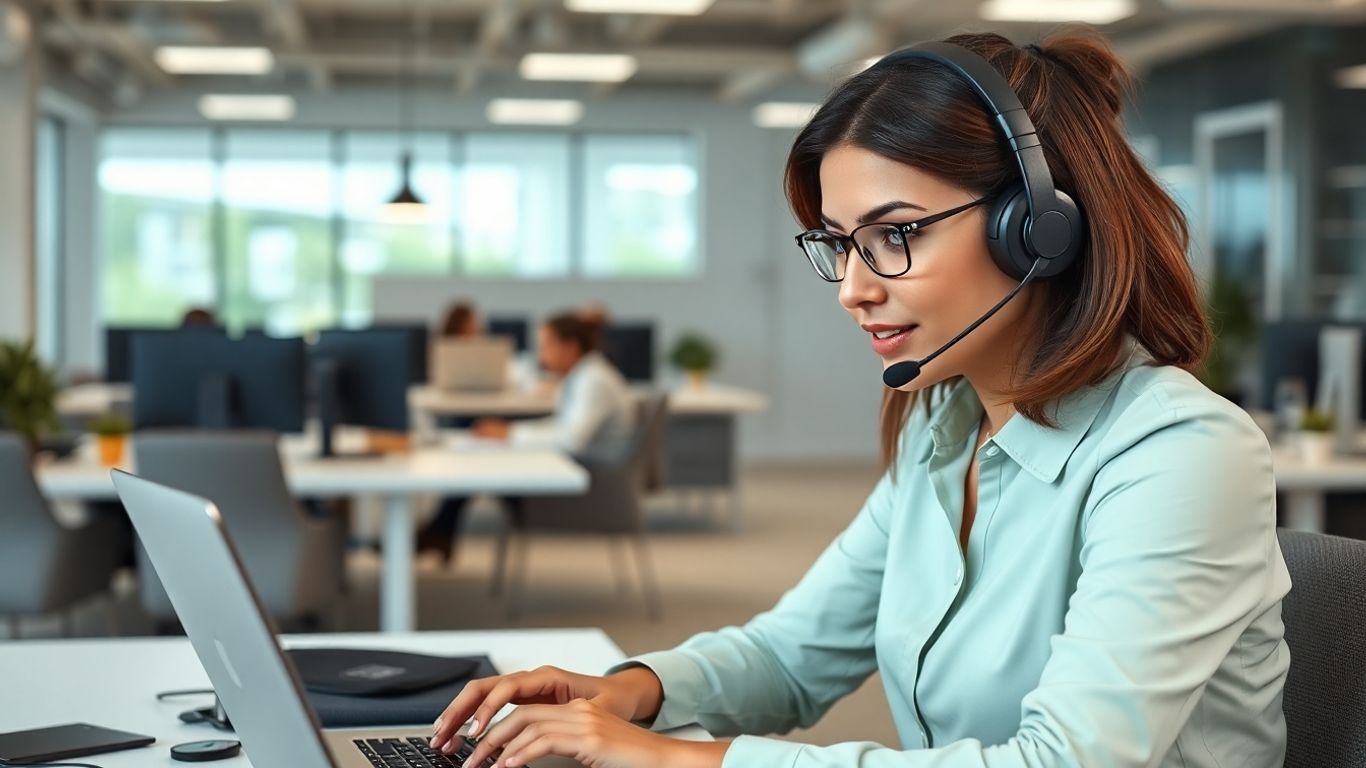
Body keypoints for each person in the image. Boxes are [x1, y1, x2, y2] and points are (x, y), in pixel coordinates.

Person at [427, 30, 1290, 768]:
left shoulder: (1183, 455)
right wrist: (630, 694)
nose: (851, 288)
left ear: (1038, 229)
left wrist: (681, 758)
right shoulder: (945, 432)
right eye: (839, 244)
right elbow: (792, 653)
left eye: (896, 235)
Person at [417, 311, 636, 564]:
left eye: (546, 345)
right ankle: (439, 531)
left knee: (483, 466)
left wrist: (510, 437)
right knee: (484, 460)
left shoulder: (594, 382)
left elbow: (571, 440)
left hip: (591, 486)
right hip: (581, 472)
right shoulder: (584, 376)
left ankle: (438, 531)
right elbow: (562, 427)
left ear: (571, 347)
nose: (541, 355)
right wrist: (510, 433)